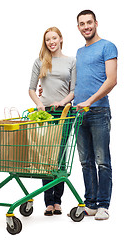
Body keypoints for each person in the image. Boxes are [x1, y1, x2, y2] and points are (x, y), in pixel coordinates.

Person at [74, 10, 118, 220]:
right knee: (85, 162)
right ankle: (90, 204)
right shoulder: (80, 52)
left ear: (96, 23)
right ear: (78, 27)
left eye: (89, 22)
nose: (86, 27)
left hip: (99, 111)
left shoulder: (107, 46)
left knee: (102, 161)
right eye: (82, 24)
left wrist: (89, 102)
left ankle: (103, 205)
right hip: (78, 114)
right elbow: (77, 85)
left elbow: (111, 80)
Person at [29, 27, 76, 216]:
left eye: (54, 38)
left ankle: (58, 201)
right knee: (46, 157)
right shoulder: (39, 62)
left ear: (61, 39)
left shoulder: (71, 61)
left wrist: (62, 102)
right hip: (46, 114)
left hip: (64, 112)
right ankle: (48, 202)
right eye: (48, 39)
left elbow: (74, 90)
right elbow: (31, 89)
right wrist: (40, 104)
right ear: (45, 42)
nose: (51, 42)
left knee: (61, 156)